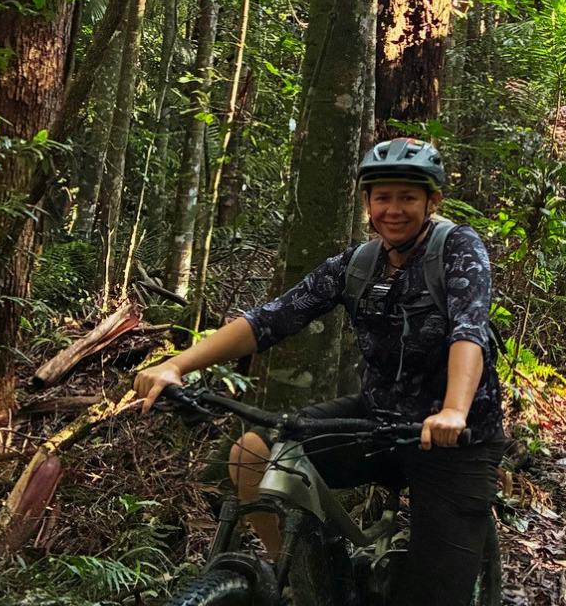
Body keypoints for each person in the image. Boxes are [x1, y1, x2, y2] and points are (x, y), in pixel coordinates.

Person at [134, 138, 503, 606]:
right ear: (367, 203)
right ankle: (298, 580)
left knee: (432, 594)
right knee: (253, 453)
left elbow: (467, 328)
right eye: (382, 197)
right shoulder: (358, 265)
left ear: (432, 202)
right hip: (379, 418)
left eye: (408, 197)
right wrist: (175, 365)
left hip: (454, 439)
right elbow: (270, 319)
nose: (394, 209)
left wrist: (454, 410)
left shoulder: (458, 248)